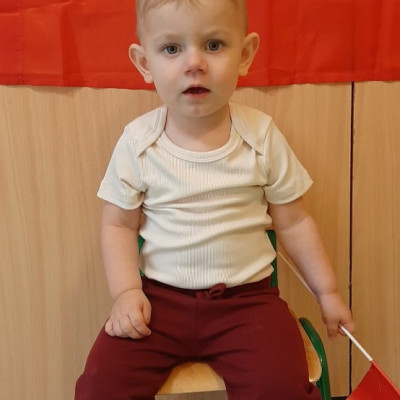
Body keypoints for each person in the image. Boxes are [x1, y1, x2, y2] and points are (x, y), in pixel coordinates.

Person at [75, 0, 355, 399]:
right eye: (172, 48)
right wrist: (126, 293)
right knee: (101, 387)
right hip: (157, 304)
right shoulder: (138, 142)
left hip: (248, 305)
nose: (194, 64)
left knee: (279, 389)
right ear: (144, 63)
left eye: (213, 45)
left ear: (245, 55)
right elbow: (118, 224)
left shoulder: (261, 136)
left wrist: (327, 293)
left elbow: (294, 221)